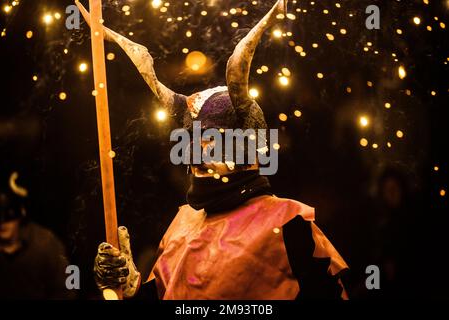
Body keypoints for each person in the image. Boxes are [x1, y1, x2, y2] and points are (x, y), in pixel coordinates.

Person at [76, 0, 349, 299]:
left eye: (212, 143)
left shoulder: (289, 225)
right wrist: (127, 290)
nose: (196, 157)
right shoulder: (182, 224)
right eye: (193, 143)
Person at [0, 170, 75, 299]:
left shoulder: (46, 243)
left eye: (9, 214)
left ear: (21, 213)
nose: (2, 223)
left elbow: (70, 283)